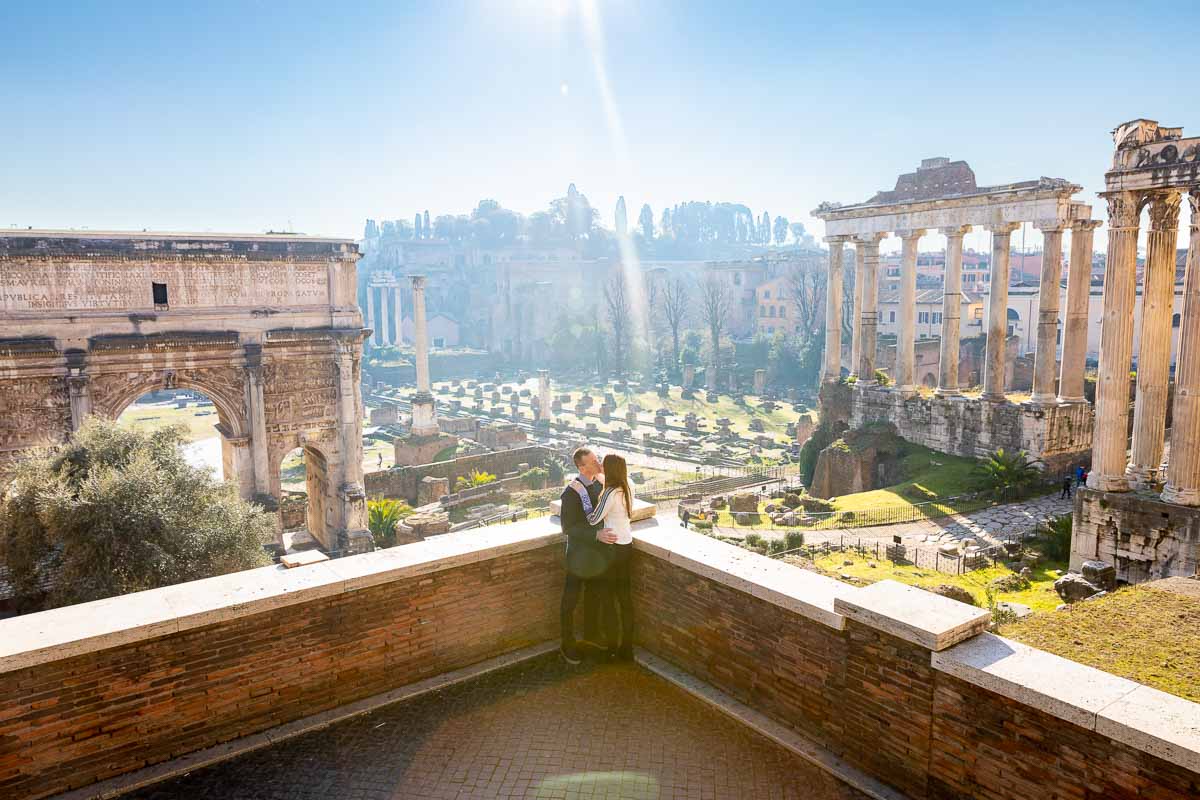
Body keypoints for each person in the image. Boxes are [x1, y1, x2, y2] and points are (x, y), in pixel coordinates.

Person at [558, 446, 612, 665]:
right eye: (593, 461)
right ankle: (567, 644)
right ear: (581, 466)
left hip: (596, 557)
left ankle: (592, 634)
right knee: (570, 602)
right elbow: (568, 527)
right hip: (578, 556)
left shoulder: (600, 483)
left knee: (594, 595)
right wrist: (596, 535)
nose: (598, 463)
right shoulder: (571, 492)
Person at [586, 454, 636, 661]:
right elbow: (606, 481)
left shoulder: (609, 493)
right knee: (625, 600)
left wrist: (586, 510)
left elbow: (594, 519)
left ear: (609, 470)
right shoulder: (628, 485)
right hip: (626, 545)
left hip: (611, 549)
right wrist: (599, 472)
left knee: (608, 599)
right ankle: (627, 649)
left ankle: (611, 647)